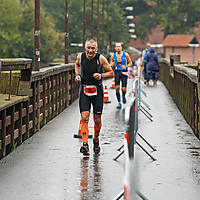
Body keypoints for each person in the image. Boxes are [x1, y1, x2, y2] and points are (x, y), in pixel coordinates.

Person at [75, 38, 114, 156]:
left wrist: (101, 75)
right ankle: (85, 144)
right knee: (84, 117)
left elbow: (111, 73)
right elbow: (76, 65)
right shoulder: (80, 57)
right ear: (85, 48)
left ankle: (96, 139)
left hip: (97, 92)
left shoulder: (100, 58)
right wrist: (77, 74)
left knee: (97, 120)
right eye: (88, 48)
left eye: (93, 48)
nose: (90, 51)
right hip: (84, 90)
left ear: (96, 49)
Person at [110, 42, 132, 109]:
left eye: (119, 46)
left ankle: (123, 96)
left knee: (123, 89)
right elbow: (111, 63)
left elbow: (130, 63)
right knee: (117, 88)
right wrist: (112, 64)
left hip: (124, 72)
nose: (118, 48)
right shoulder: (113, 56)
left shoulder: (126, 55)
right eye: (117, 46)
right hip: (117, 72)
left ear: (121, 47)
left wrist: (126, 66)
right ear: (115, 48)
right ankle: (119, 102)